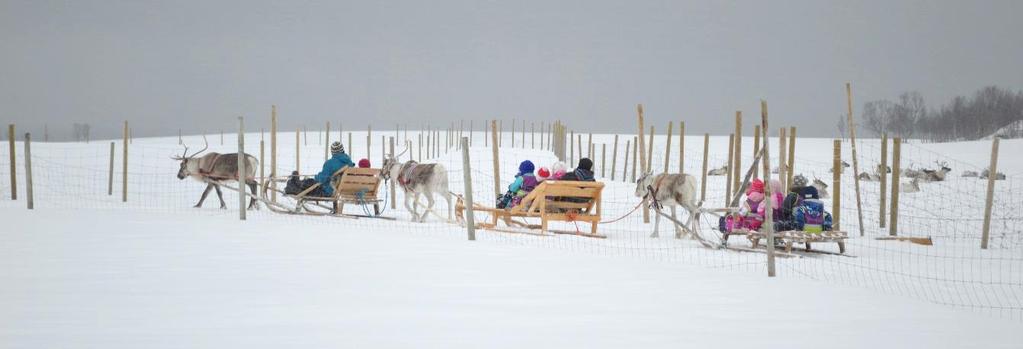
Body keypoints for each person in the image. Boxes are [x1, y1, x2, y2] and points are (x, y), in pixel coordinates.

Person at [285, 142, 355, 196]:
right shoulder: (349, 163)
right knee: (309, 182)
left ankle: (293, 184)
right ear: (343, 150)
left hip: (327, 190)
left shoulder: (330, 163)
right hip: (338, 189)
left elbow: (322, 179)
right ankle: (295, 182)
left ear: (332, 152)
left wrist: (316, 177)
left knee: (309, 182)